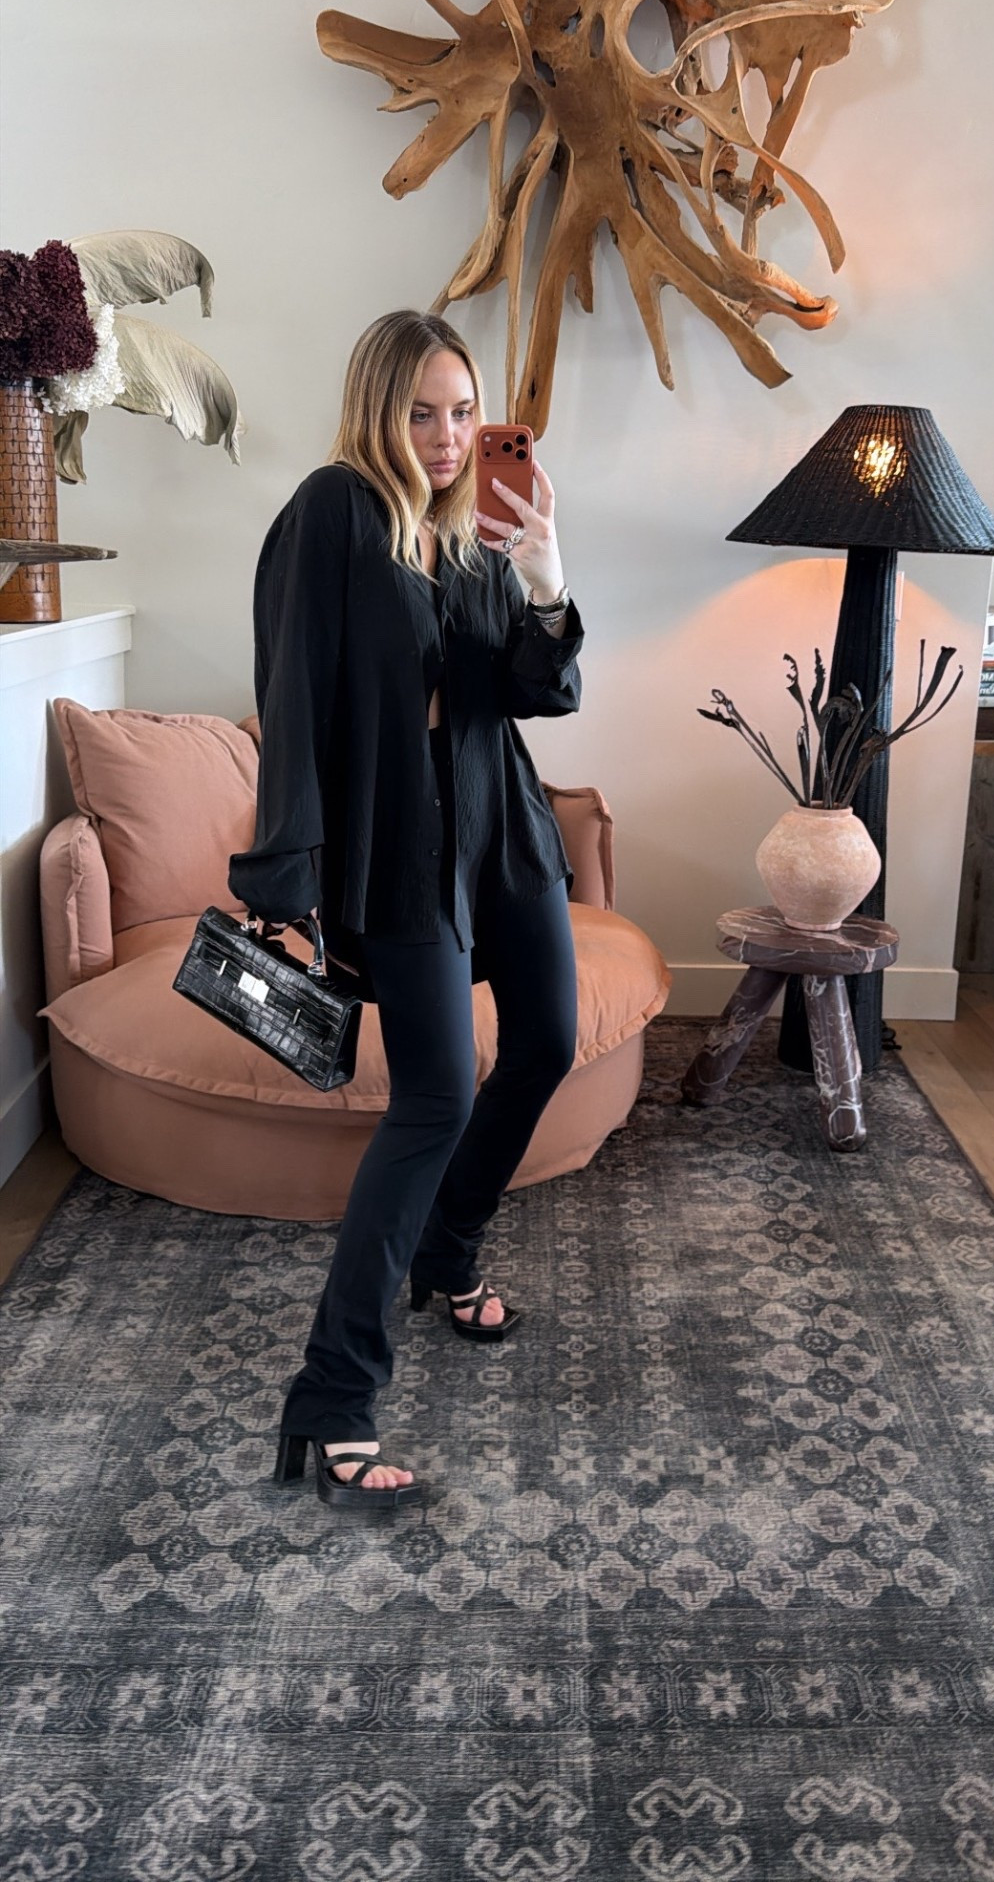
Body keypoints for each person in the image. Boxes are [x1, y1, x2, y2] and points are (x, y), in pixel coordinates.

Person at [227, 310, 583, 1512]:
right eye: (423, 411)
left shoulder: (475, 532)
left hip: (505, 826)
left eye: (463, 412)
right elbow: (289, 695)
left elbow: (537, 693)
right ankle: (331, 1399)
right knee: (435, 1096)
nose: (446, 435)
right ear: (377, 408)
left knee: (545, 1042)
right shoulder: (332, 511)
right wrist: (289, 877)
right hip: (398, 842)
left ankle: (448, 1248)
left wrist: (546, 578)